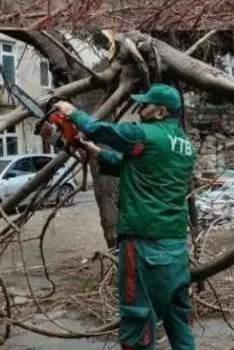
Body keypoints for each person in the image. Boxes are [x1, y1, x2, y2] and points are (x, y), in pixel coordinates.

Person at [53, 84, 196, 350]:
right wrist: (97, 154)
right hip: (176, 249)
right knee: (180, 323)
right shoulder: (185, 145)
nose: (141, 108)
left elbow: (100, 130)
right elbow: (143, 171)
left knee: (137, 321)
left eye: (147, 104)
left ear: (160, 111)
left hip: (144, 249)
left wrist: (71, 112)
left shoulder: (145, 134)